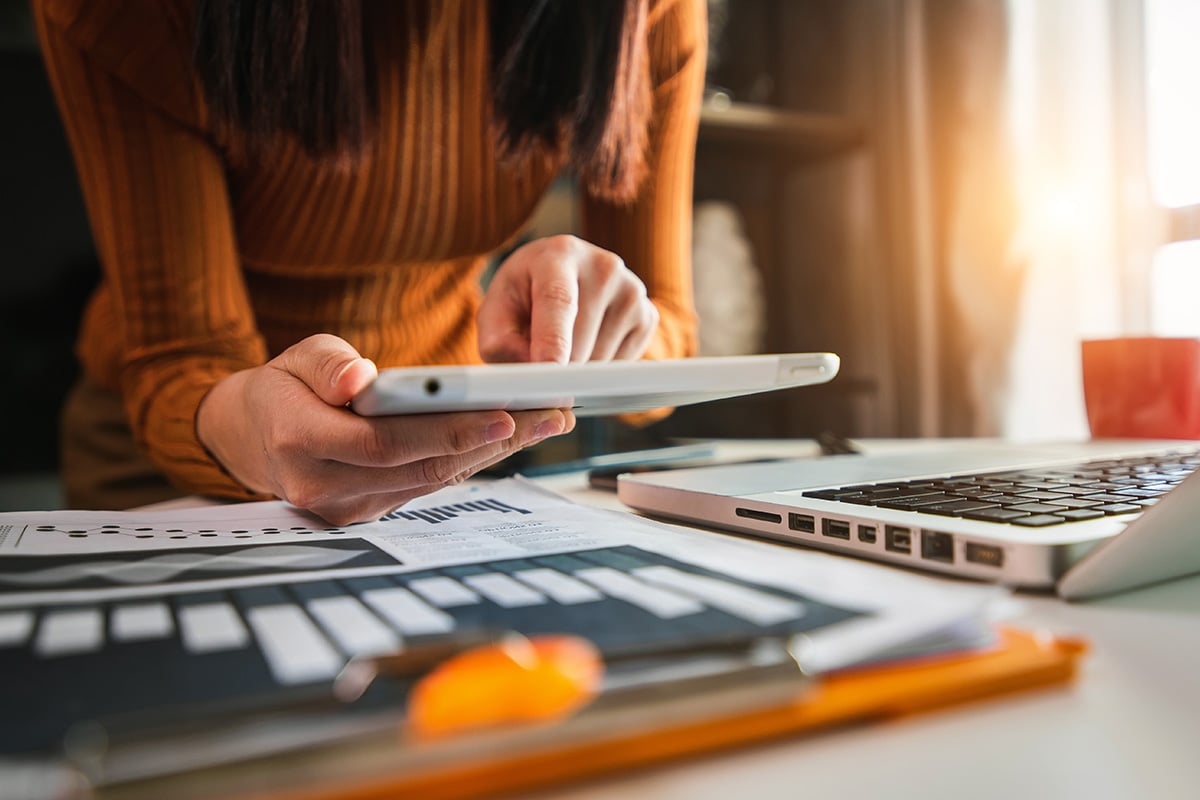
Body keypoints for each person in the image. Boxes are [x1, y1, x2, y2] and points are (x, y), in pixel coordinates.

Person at [33, 0, 705, 524]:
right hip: (177, 467)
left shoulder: (642, 14)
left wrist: (606, 325)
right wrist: (259, 429)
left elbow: (670, 331)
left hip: (438, 466)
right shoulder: (125, 14)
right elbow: (181, 354)